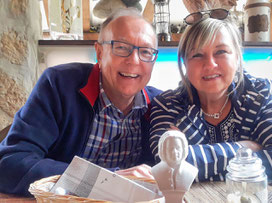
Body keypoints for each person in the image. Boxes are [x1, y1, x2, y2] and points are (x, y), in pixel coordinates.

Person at [0, 8, 161, 196]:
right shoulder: (58, 85)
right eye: (121, 47)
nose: (134, 60)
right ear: (100, 53)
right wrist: (105, 181)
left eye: (146, 52)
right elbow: (10, 162)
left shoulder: (160, 106)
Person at [149, 9, 272, 182]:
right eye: (197, 55)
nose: (210, 64)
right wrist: (245, 149)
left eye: (221, 52)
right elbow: (167, 167)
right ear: (185, 63)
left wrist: (192, 161)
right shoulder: (168, 104)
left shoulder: (260, 95)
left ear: (237, 57)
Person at [151, 130, 198, 203]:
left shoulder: (191, 170)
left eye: (178, 148)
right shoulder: (156, 170)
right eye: (170, 149)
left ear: (183, 149)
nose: (175, 152)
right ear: (164, 150)